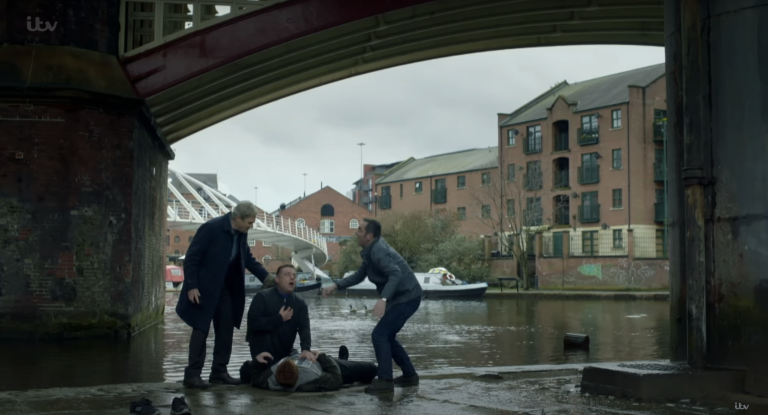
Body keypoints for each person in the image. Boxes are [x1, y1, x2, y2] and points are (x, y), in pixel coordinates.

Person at [175, 201, 270, 389]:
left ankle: (219, 372)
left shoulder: (242, 233)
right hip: (203, 289)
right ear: (238, 218)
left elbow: (248, 259)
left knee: (226, 328)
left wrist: (268, 278)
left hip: (226, 288)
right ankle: (192, 375)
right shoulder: (211, 228)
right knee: (201, 330)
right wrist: (192, 286)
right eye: (249, 222)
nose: (251, 226)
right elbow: (192, 257)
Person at [321, 218, 423, 393]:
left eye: (360, 230)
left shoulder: (379, 250)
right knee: (387, 336)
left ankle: (385, 381)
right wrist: (335, 286)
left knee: (380, 335)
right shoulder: (371, 251)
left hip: (407, 297)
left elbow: (396, 274)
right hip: (404, 297)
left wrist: (383, 299)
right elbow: (359, 275)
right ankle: (409, 376)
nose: (356, 233)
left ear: (369, 235)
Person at [245, 264, 315, 365]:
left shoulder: (300, 303)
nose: (292, 277)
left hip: (287, 352)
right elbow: (253, 324)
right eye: (287, 275)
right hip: (263, 354)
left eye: (294, 275)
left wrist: (306, 349)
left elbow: (304, 328)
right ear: (277, 279)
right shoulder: (262, 297)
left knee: (311, 364)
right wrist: (279, 318)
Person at [245, 346, 377, 392]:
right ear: (298, 372)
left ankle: (344, 360)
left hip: (311, 358)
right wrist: (322, 357)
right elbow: (337, 379)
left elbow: (255, 378)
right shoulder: (312, 379)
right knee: (371, 369)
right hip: (330, 366)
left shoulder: (269, 378)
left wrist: (257, 361)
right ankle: (343, 360)